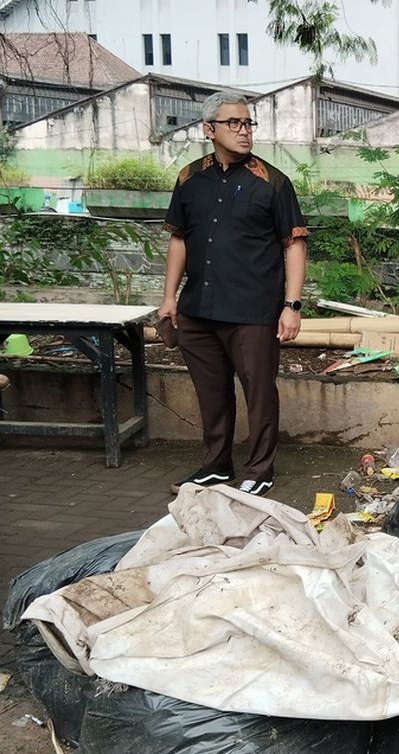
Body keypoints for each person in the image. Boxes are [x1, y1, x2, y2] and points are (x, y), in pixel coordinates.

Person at [158, 90, 308, 497]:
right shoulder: (190, 179)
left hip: (252, 310)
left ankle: (260, 469)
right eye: (234, 124)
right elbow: (179, 240)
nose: (244, 131)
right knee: (211, 393)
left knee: (259, 393)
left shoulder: (273, 183)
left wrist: (291, 306)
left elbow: (294, 243)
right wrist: (169, 298)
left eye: (248, 123)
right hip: (198, 309)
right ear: (209, 129)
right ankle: (216, 464)